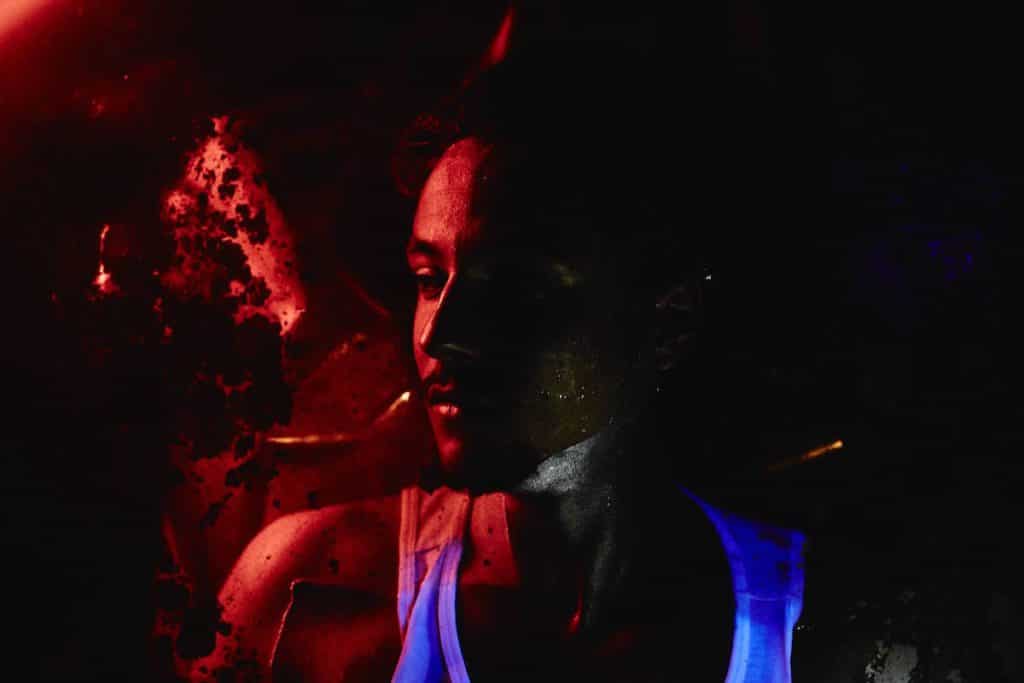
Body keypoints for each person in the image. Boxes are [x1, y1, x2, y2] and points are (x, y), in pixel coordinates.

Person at [189, 53, 806, 682]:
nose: (439, 334)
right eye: (429, 279)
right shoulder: (303, 591)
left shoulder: (812, 616)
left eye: (511, 286)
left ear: (667, 322)